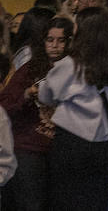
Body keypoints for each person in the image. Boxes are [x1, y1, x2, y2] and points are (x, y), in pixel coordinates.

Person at [39, 6, 108, 210]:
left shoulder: (71, 65)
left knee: (65, 201)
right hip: (101, 147)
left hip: (71, 144)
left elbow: (47, 95)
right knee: (95, 201)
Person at [0, 15, 71, 211]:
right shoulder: (30, 70)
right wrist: (27, 94)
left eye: (61, 40)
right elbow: (4, 104)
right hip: (29, 146)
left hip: (61, 149)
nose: (55, 46)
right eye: (50, 40)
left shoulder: (76, 71)